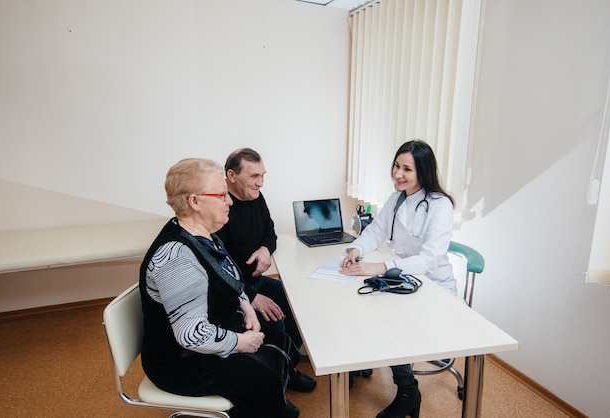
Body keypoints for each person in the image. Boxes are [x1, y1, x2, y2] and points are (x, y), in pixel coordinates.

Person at [139, 158, 303, 418]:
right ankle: (269, 405)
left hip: (211, 331)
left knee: (280, 340)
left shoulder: (204, 235)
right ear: (194, 202)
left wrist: (247, 306)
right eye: (222, 195)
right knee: (262, 378)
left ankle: (271, 403)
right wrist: (241, 342)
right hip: (180, 361)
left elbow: (228, 276)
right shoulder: (177, 258)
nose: (229, 202)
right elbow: (191, 334)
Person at [339, 139, 456, 418]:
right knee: (364, 304)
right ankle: (360, 364)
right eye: (396, 166)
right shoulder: (396, 198)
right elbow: (376, 231)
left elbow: (429, 260)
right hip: (405, 280)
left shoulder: (440, 205)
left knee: (391, 323)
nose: (398, 174)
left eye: (407, 169)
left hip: (434, 286)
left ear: (423, 172)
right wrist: (357, 249)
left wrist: (382, 266)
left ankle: (407, 392)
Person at [216, 148, 315, 392]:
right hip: (234, 292)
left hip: (256, 282)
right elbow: (217, 270)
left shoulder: (256, 197)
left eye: (263, 175)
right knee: (275, 317)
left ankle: (287, 367)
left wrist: (264, 249)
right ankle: (275, 384)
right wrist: (250, 296)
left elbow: (270, 231)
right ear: (231, 175)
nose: (261, 182)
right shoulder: (220, 211)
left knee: (297, 301)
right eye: (254, 176)